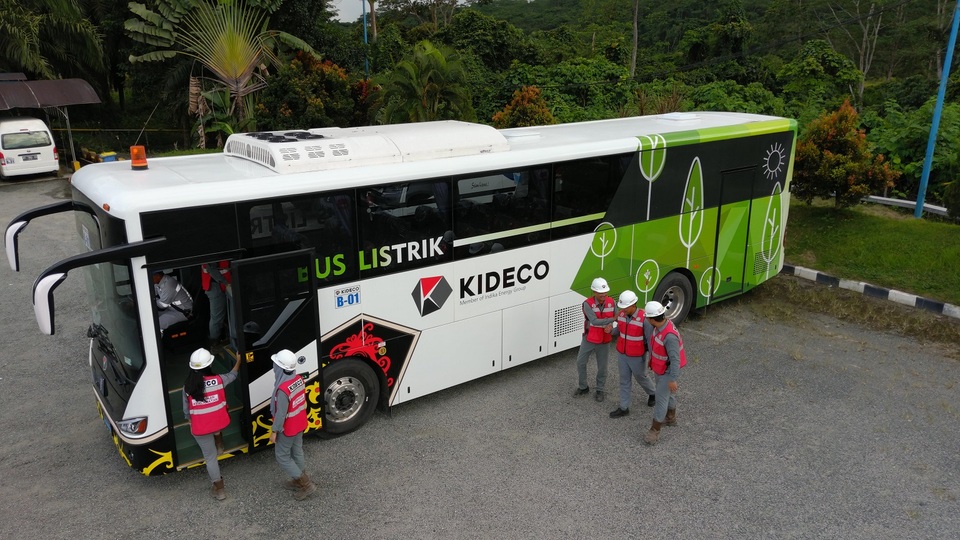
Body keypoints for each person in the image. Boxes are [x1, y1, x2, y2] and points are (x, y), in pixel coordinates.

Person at [182, 348, 241, 501]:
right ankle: (220, 443)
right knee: (215, 426)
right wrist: (239, 361)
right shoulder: (220, 380)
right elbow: (233, 375)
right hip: (220, 422)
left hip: (201, 428)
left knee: (210, 458)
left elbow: (186, 411)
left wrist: (190, 422)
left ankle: (219, 489)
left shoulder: (187, 386)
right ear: (209, 365)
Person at [270, 349, 317, 501]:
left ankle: (306, 484)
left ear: (280, 368)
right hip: (300, 421)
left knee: (282, 457)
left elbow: (281, 414)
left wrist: (274, 431)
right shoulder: (298, 379)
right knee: (297, 451)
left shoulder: (282, 390)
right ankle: (299, 480)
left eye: (275, 364)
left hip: (288, 428)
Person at [643, 301, 687, 445]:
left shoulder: (669, 336)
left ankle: (654, 431)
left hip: (667, 372)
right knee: (669, 394)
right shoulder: (660, 325)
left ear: (652, 319)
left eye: (647, 317)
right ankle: (671, 418)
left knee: (661, 400)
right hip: (660, 368)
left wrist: (673, 379)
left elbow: (675, 360)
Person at [608, 290, 656, 418]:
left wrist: (652, 358)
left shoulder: (644, 319)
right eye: (621, 307)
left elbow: (650, 340)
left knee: (641, 377)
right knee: (624, 380)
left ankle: (653, 393)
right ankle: (624, 407)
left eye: (625, 307)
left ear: (634, 305)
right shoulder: (622, 315)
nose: (622, 310)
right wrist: (611, 331)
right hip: (622, 354)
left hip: (637, 355)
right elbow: (619, 330)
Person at [574, 277, 617, 402]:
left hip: (604, 340)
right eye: (600, 293)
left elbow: (619, 317)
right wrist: (611, 320)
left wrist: (613, 324)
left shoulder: (612, 302)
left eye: (605, 292)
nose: (603, 295)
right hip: (590, 338)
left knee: (602, 367)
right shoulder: (587, 304)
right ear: (594, 292)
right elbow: (594, 321)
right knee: (580, 362)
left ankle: (600, 389)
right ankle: (583, 387)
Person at [201, 261, 233, 348]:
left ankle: (223, 338)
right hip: (216, 286)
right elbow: (212, 270)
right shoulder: (213, 250)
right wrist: (226, 283)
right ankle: (215, 344)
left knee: (222, 316)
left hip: (220, 285)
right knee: (217, 318)